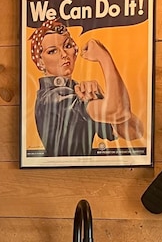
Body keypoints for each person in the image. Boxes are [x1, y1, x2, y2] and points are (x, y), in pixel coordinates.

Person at [28, 16, 144, 158]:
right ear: (40, 62)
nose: (64, 55)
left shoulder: (76, 91)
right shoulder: (53, 97)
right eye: (52, 51)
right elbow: (118, 111)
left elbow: (134, 132)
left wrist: (101, 97)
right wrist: (104, 58)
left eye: (67, 46)